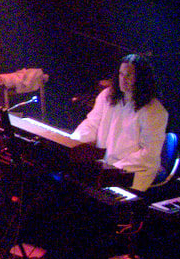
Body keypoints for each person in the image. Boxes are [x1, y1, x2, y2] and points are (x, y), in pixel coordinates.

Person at [72, 53, 169, 191]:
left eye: (129, 75)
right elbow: (92, 124)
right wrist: (73, 144)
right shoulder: (107, 96)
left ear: (141, 78)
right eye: (121, 74)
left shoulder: (154, 110)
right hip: (106, 166)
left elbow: (148, 153)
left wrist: (115, 168)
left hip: (133, 171)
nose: (123, 79)